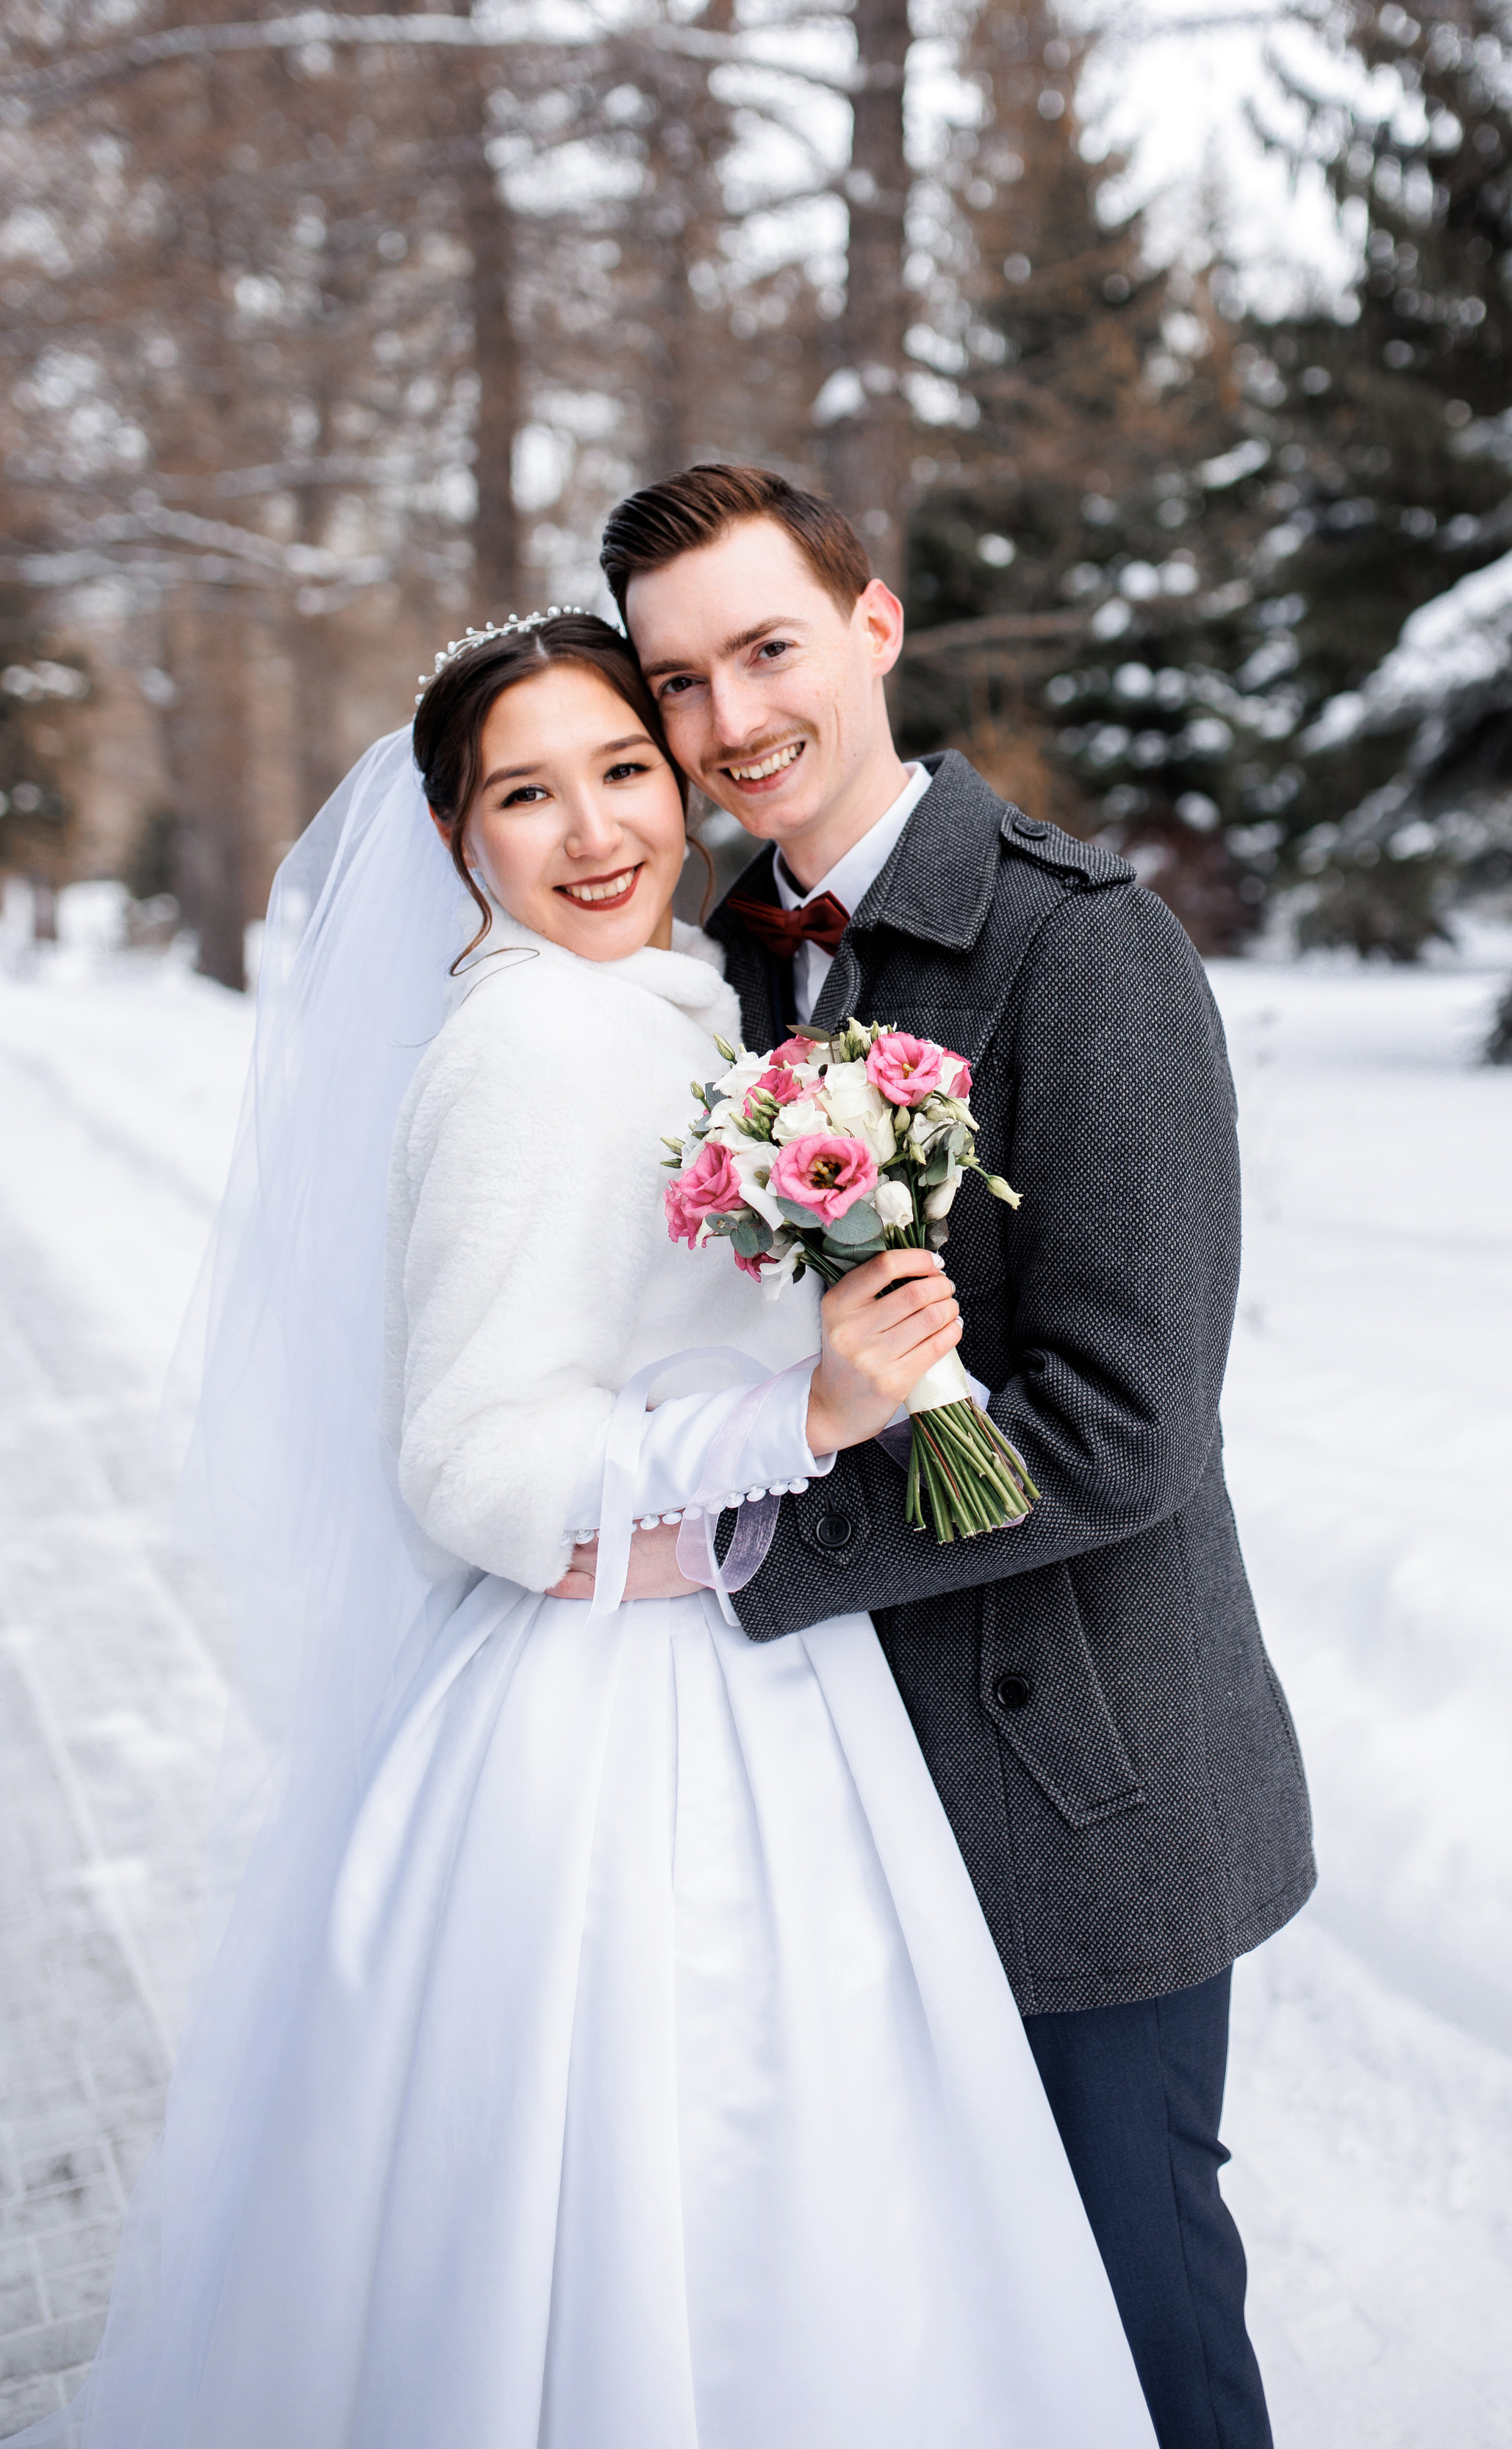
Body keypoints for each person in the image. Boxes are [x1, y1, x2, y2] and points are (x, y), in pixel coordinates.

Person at [29, 614, 1156, 2449]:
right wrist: (794, 1417)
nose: (594, 832)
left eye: (624, 770)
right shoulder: (536, 1047)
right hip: (627, 1732)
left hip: (740, 1653)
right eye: (524, 796)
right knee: (688, 2177)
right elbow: (472, 1457)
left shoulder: (677, 1003)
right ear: (453, 832)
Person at [602, 465, 1319, 2449]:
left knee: (1131, 2302)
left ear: (877, 627)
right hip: (827, 1783)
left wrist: (760, 1543)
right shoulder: (714, 973)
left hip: (1073, 1777)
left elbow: (1128, 1430)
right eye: (682, 684)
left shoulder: (1082, 953)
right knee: (927, 2322)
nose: (734, 718)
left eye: (768, 649)